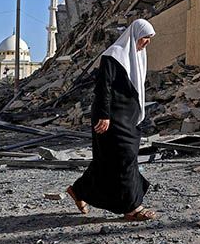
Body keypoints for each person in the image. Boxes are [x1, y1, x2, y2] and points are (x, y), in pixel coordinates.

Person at [66, 19, 157, 221]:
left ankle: (78, 190)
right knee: (125, 158)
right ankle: (132, 207)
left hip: (129, 118)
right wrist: (103, 115)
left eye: (150, 38)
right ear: (135, 35)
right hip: (112, 118)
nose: (147, 42)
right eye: (145, 37)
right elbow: (103, 88)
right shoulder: (113, 55)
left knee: (109, 161)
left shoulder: (138, 56)